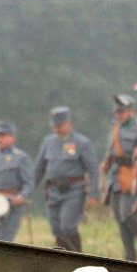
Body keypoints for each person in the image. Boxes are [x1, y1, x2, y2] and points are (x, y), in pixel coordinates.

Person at [33, 106, 100, 253]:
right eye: (54, 126)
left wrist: (94, 193)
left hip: (74, 190)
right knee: (56, 228)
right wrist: (28, 189)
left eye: (60, 125)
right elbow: (39, 168)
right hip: (53, 191)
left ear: (69, 123)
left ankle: (77, 255)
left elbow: (93, 169)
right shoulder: (48, 142)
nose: (57, 129)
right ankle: (64, 256)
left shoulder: (82, 143)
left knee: (68, 226)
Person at [103, 95, 137, 262]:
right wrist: (106, 163)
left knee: (126, 213)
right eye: (117, 112)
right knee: (119, 217)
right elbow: (111, 149)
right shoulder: (114, 127)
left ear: (131, 112)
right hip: (116, 175)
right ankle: (129, 254)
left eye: (122, 112)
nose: (119, 115)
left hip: (131, 175)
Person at [0, 121, 33, 242]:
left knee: (5, 240)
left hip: (13, 204)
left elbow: (29, 182)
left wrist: (22, 196)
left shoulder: (21, 158)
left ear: (12, 138)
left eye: (2, 136)